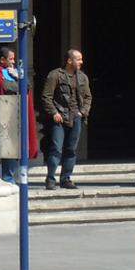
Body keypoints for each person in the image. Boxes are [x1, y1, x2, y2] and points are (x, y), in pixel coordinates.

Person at [0, 47, 38, 184]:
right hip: (3, 114)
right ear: (2, 59)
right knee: (6, 148)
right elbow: (5, 86)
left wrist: (19, 77)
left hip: (16, 115)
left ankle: (13, 176)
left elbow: (26, 88)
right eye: (11, 59)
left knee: (15, 147)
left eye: (14, 59)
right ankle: (7, 178)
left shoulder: (13, 71)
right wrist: (16, 82)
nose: (13, 62)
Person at [41, 49, 92, 190]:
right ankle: (50, 179)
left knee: (71, 150)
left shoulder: (83, 77)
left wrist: (83, 112)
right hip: (60, 118)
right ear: (70, 60)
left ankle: (66, 178)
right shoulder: (55, 75)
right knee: (56, 149)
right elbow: (46, 96)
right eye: (78, 59)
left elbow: (88, 97)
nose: (81, 62)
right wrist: (54, 113)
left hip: (76, 118)